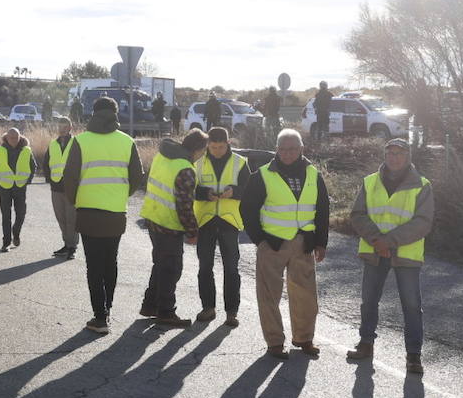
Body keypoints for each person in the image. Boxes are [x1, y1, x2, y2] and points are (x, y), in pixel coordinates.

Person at [345, 138, 436, 373]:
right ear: (385, 155)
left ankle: (413, 356)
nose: (394, 157)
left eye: (400, 153)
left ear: (408, 157)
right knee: (369, 301)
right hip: (376, 250)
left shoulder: (422, 185)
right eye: (391, 152)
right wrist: (377, 240)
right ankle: (366, 344)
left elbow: (423, 223)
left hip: (404, 253)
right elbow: (357, 214)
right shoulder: (370, 182)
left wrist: (388, 241)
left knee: (412, 305)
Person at [240, 128, 330, 359]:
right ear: (276, 150)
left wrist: (321, 242)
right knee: (269, 295)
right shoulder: (261, 175)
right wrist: (260, 240)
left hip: (305, 243)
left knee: (306, 296)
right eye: (282, 149)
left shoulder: (313, 174)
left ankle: (304, 339)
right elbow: (247, 209)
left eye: (292, 149)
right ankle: (274, 343)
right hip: (272, 244)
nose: (287, 154)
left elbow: (322, 210)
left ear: (301, 149)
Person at [61, 96, 145, 335]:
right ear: (116, 113)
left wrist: (75, 200)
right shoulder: (127, 141)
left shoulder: (81, 141)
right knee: (111, 261)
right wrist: (120, 194)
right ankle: (107, 307)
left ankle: (99, 317)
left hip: (87, 210)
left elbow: (70, 177)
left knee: (94, 265)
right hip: (115, 211)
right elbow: (137, 176)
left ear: (93, 113)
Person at [140, 128, 209, 328]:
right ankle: (166, 312)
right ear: (197, 150)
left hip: (153, 218)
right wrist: (192, 231)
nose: (202, 156)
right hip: (169, 225)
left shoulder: (163, 156)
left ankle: (150, 305)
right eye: (203, 151)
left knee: (160, 265)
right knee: (171, 269)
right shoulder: (185, 168)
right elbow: (184, 205)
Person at [194, 127, 251, 326]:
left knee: (231, 268)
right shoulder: (198, 162)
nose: (217, 150)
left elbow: (249, 190)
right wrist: (205, 194)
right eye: (213, 146)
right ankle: (208, 307)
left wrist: (233, 192)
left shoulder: (240, 163)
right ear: (208, 145)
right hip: (205, 221)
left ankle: (231, 312)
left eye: (221, 146)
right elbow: (191, 188)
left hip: (229, 221)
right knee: (205, 267)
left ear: (228, 144)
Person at [0, 127, 35, 252]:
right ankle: (6, 243)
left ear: (20, 138)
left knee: (21, 214)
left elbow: (33, 167)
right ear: (6, 138)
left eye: (16, 138)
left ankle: (16, 232)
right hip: (5, 189)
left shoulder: (26, 150)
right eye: (11, 137)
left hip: (20, 188)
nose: (13, 140)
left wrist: (27, 181)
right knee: (5, 216)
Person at [46, 117, 79, 259]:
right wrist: (50, 180)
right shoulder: (53, 144)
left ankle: (72, 247)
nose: (62, 129)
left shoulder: (76, 143)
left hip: (71, 187)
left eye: (65, 126)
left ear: (70, 128)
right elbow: (46, 163)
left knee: (72, 219)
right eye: (60, 126)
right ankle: (66, 244)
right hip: (56, 187)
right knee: (61, 218)